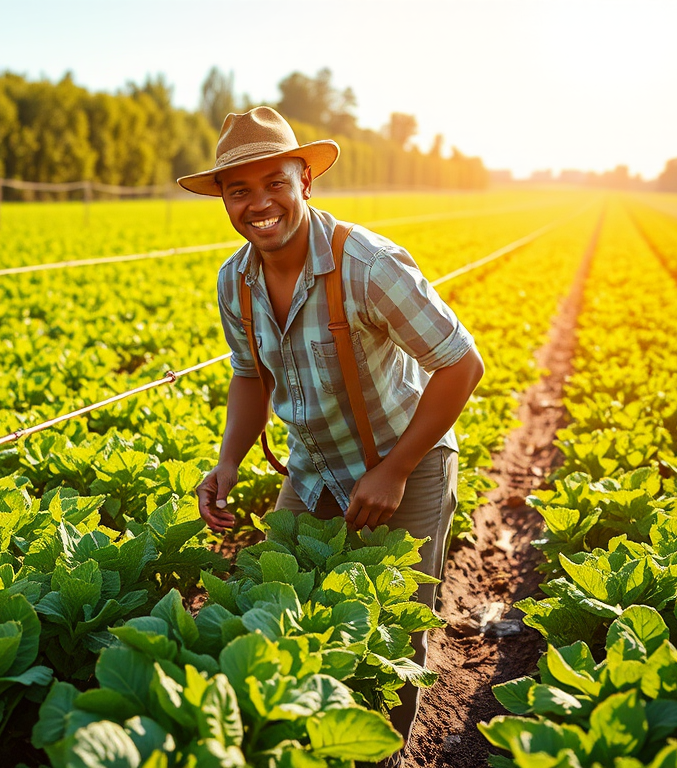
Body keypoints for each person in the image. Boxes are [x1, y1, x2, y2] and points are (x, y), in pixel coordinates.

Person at [181, 106, 485, 751]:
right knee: (277, 605)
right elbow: (249, 378)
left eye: (274, 184)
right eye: (240, 190)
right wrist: (228, 462)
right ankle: (306, 742)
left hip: (407, 458)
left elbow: (462, 365)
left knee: (393, 635)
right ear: (224, 201)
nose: (258, 203)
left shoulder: (367, 265)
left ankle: (381, 755)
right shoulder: (234, 281)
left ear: (305, 183)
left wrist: (395, 469)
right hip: (314, 466)